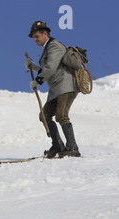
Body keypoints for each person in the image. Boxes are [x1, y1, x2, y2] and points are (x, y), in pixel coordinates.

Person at [26, 21, 81, 158]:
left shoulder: (54, 46)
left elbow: (50, 69)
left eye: (37, 36)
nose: (35, 39)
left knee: (61, 115)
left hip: (66, 86)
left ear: (45, 33)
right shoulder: (48, 48)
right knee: (44, 116)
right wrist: (33, 67)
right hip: (56, 89)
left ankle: (73, 148)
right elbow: (49, 69)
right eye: (33, 37)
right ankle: (58, 145)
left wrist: (37, 81)